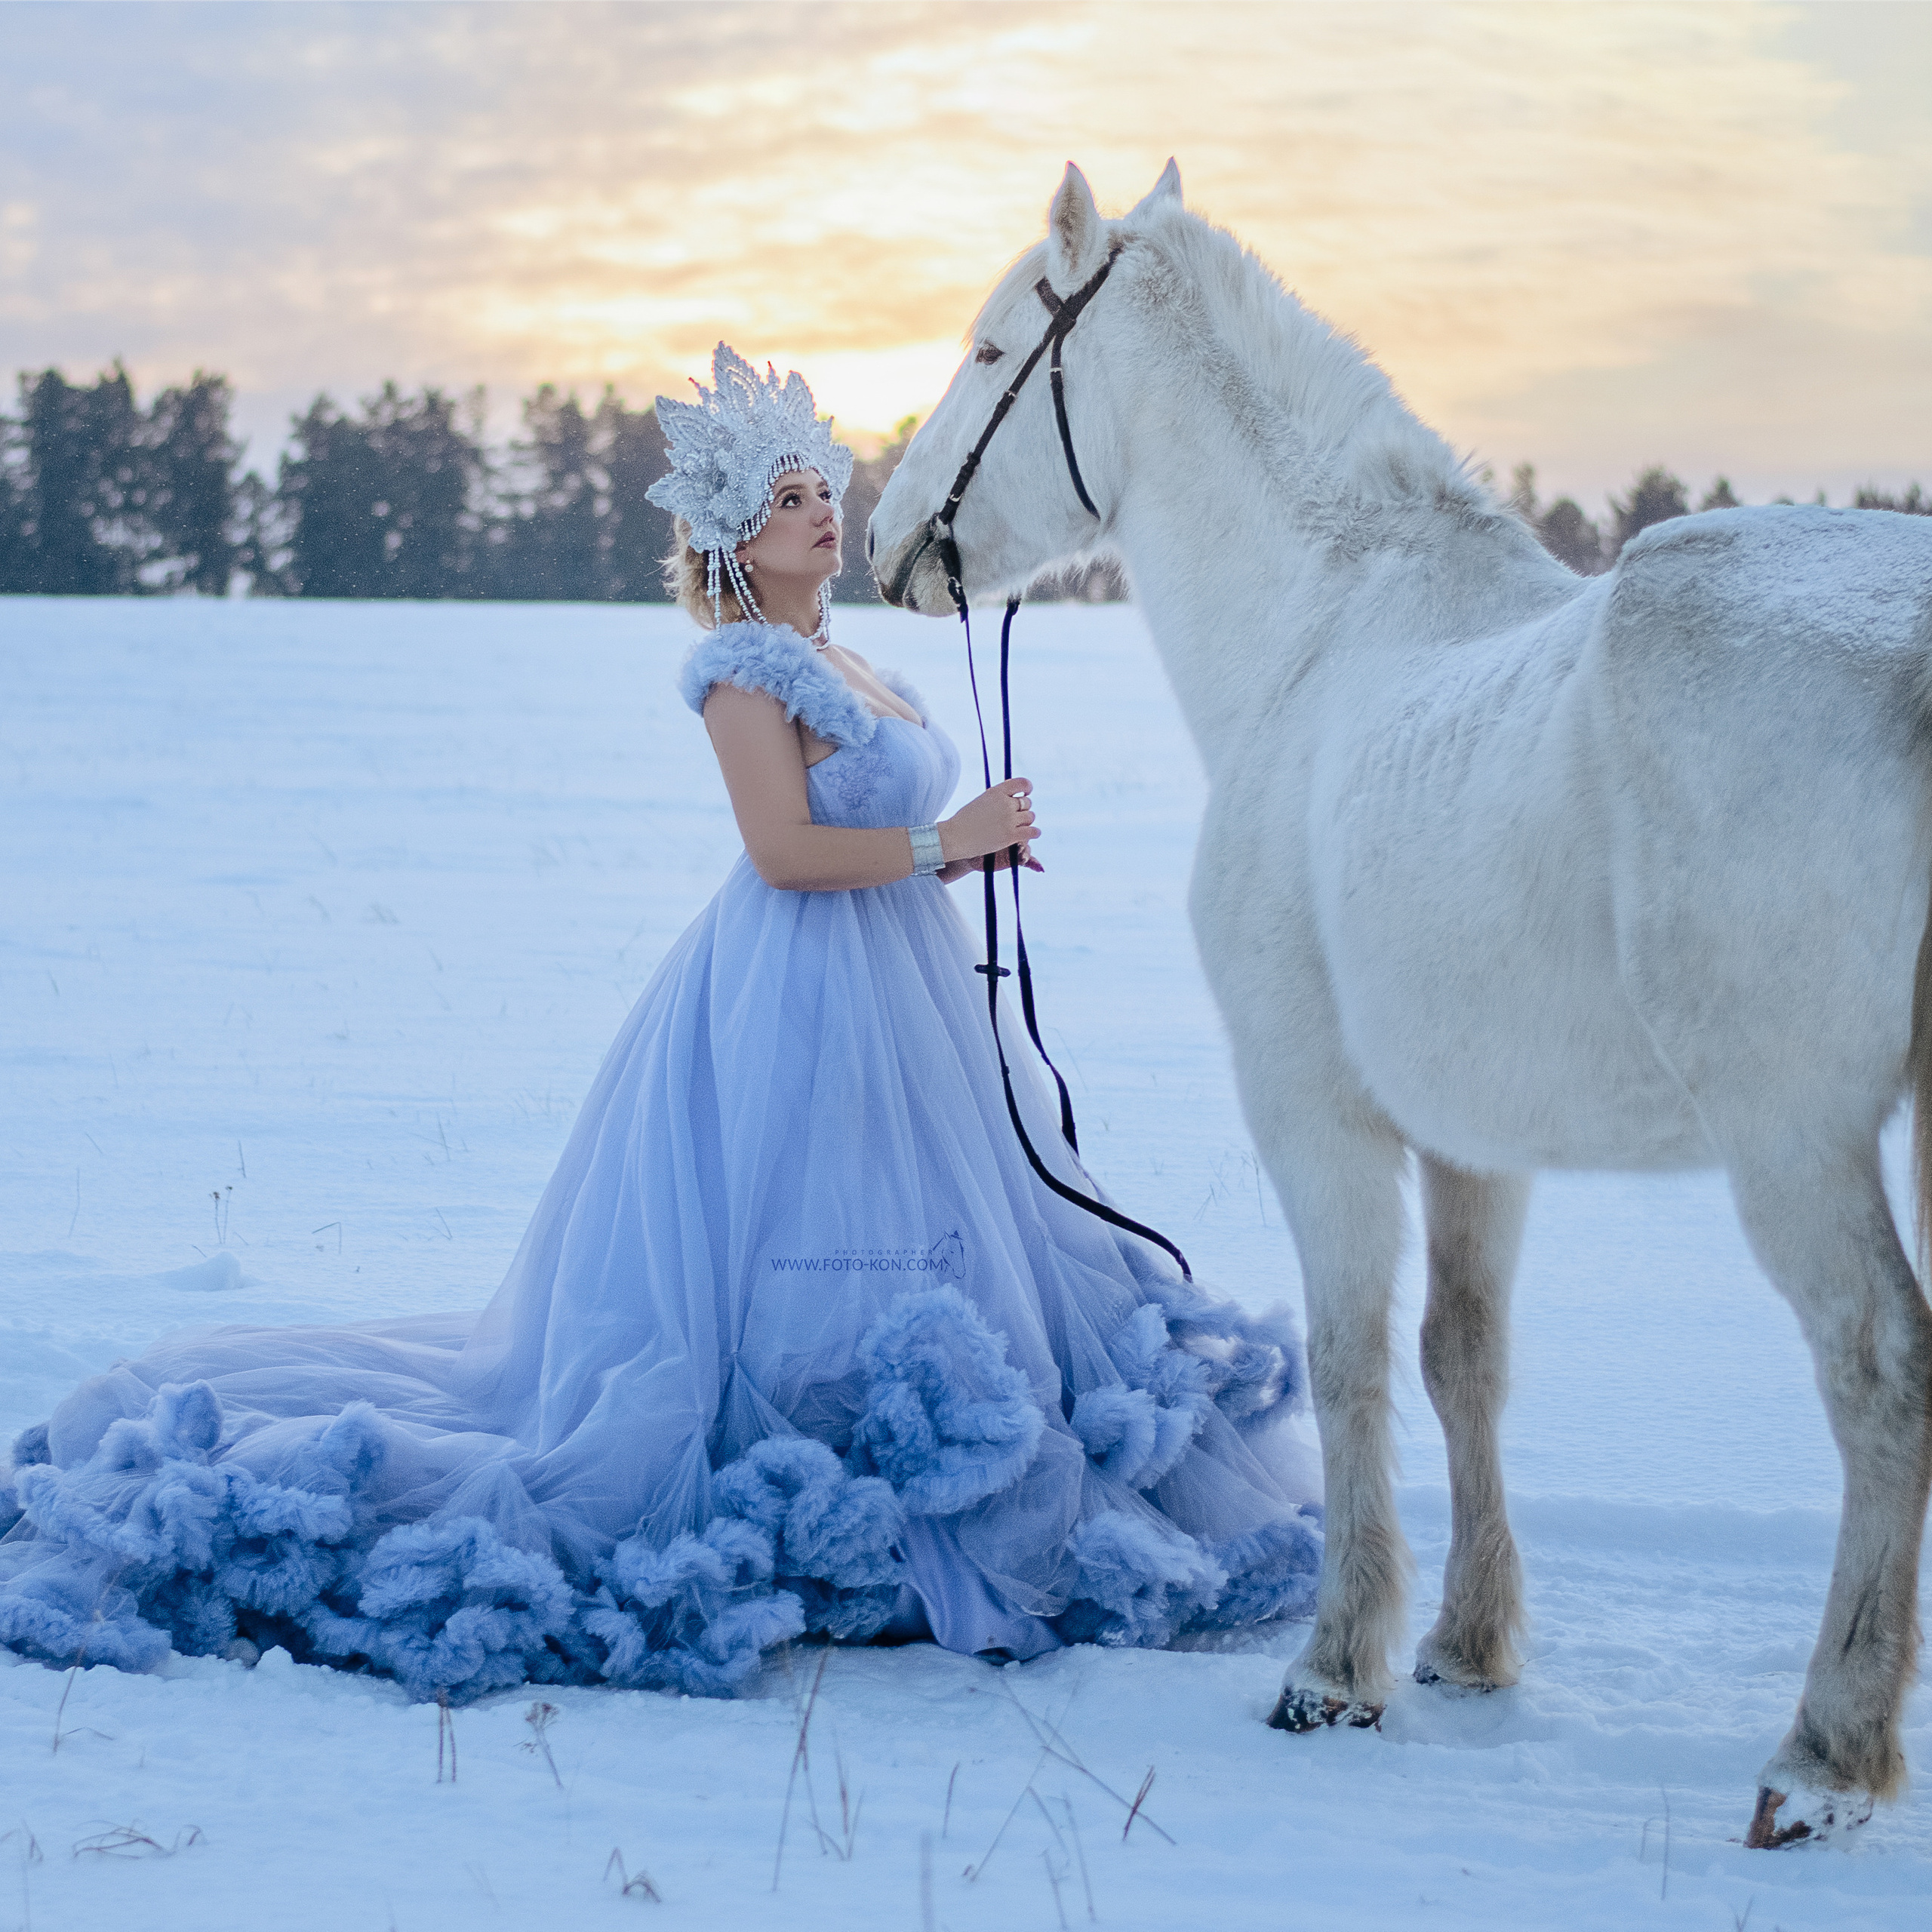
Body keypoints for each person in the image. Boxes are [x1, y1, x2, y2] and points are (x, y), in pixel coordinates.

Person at [0, 346, 1321, 1702]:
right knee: (808, 1241)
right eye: (790, 498)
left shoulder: (851, 661)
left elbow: (870, 844)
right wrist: (944, 839)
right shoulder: (745, 674)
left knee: (938, 1231)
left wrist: (965, 854)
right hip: (794, 997)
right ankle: (827, 1471)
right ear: (736, 538)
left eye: (823, 488)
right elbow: (783, 855)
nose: (824, 510)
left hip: (902, 993)